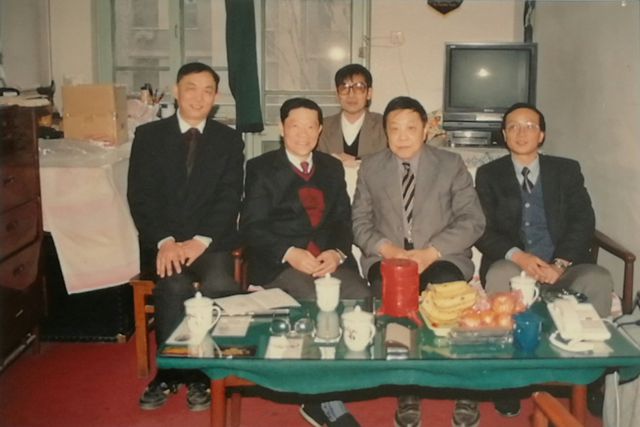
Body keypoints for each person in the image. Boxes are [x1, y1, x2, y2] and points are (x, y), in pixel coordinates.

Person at [352, 96, 486, 427]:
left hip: (441, 255)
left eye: (411, 128)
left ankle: (463, 385)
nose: (402, 136)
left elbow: (472, 220)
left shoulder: (451, 163)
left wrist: (431, 252)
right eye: (394, 129)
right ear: (385, 132)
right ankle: (408, 388)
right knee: (394, 302)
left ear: (425, 130)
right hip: (390, 258)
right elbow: (359, 223)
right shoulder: (371, 167)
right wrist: (390, 251)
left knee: (447, 291)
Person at [475, 102, 613, 417]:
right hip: (515, 264)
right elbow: (482, 228)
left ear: (542, 135)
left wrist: (561, 263)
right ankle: (506, 381)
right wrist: (520, 257)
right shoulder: (489, 174)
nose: (521, 132)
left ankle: (591, 379)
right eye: (513, 126)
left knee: (599, 278)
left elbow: (583, 220)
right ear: (504, 135)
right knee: (499, 274)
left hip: (563, 265)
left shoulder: (566, 170)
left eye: (529, 126)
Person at [240, 97, 370, 427]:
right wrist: (290, 253)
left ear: (320, 130)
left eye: (311, 126)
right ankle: (322, 400)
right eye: (295, 126)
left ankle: (337, 380)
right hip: (282, 263)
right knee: (316, 303)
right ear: (282, 128)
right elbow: (252, 226)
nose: (303, 133)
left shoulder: (331, 167)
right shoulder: (260, 167)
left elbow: (342, 220)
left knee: (361, 297)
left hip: (328, 260)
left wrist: (337, 252)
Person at [127, 62, 244, 411]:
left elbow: (230, 196)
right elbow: (140, 196)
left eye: (208, 90)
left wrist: (201, 240)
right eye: (191, 88)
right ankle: (170, 372)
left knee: (220, 284)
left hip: (211, 241)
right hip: (166, 241)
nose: (199, 97)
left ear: (216, 97)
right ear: (177, 91)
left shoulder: (228, 139)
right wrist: (164, 241)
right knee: (173, 286)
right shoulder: (149, 136)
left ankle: (208, 372)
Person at [316, 64, 387, 166]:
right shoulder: (322, 127)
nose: (351, 95)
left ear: (369, 93)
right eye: (344, 88)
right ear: (337, 94)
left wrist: (358, 160)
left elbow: (391, 159)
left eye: (359, 87)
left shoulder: (384, 125)